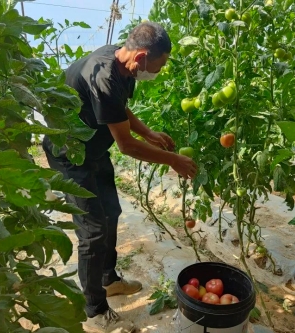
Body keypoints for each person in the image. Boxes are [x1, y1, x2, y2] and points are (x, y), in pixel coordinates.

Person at [42, 22, 197, 333]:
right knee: (93, 231)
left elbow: (119, 109)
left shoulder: (122, 64)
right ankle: (95, 310)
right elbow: (125, 146)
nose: (161, 70)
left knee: (111, 212)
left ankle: (108, 280)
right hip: (71, 155)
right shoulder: (104, 75)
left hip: (94, 150)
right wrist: (174, 160)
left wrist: (148, 132)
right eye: (161, 64)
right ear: (141, 58)